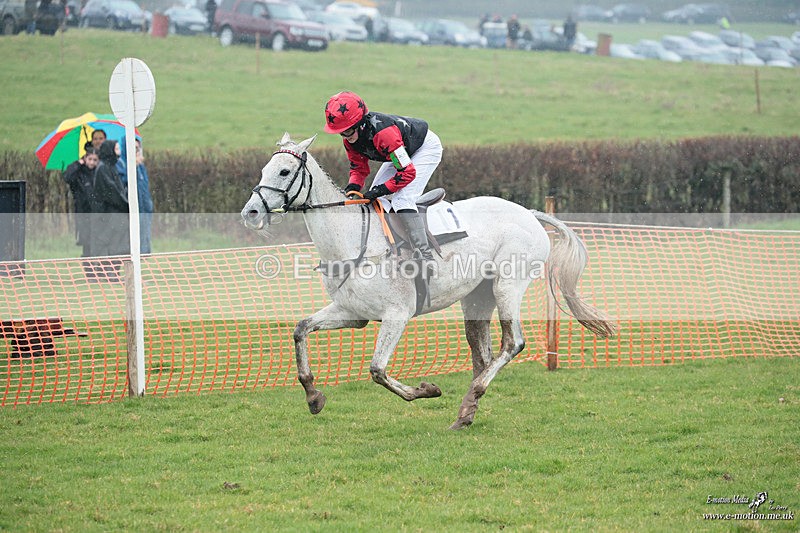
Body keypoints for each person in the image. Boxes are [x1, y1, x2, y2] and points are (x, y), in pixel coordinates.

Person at [323, 91, 441, 274]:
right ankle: (393, 249)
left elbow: (407, 173)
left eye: (346, 130)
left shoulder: (383, 134)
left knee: (402, 199)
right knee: (377, 201)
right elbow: (359, 169)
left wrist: (381, 189)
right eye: (340, 133)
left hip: (424, 148)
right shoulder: (350, 140)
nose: (345, 137)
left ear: (360, 123)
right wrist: (353, 188)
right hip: (399, 150)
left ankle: (425, 258)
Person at [91, 140, 130, 278]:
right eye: (116, 148)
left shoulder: (111, 166)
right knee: (111, 244)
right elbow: (111, 191)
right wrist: (126, 204)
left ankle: (113, 272)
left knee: (118, 244)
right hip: (109, 215)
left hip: (116, 214)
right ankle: (108, 273)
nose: (118, 150)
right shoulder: (103, 168)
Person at [116, 135, 154, 254]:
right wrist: (133, 167)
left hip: (143, 209)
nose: (136, 151)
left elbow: (144, 187)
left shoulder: (141, 165)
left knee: (143, 246)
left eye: (138, 148)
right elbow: (123, 183)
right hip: (129, 211)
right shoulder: (120, 164)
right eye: (134, 148)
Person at [62, 147, 99, 258]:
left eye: (95, 160)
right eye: (90, 159)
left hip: (97, 214)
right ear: (85, 158)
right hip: (83, 213)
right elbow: (67, 177)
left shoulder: (99, 172)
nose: (92, 162)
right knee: (86, 246)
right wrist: (78, 164)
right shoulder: (79, 173)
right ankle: (89, 273)